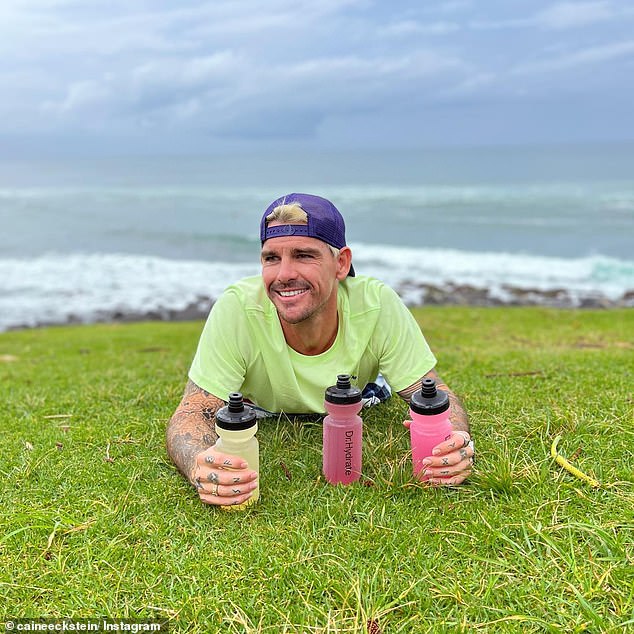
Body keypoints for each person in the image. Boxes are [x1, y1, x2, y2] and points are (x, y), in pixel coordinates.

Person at [166, 193, 474, 507]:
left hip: (358, 396)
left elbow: (435, 394)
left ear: (341, 263)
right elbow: (193, 412)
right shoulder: (238, 307)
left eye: (303, 255)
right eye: (271, 258)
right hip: (259, 405)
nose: (284, 274)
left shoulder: (376, 304)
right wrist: (201, 464)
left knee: (375, 389)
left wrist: (454, 442)